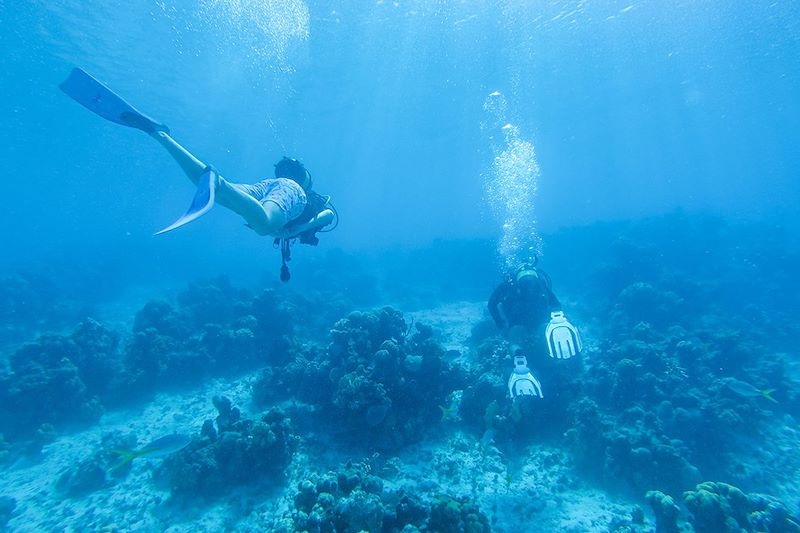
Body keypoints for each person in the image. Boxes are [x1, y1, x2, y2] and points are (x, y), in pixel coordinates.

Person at [59, 68, 336, 276]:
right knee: (264, 225)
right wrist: (301, 227)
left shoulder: (280, 185)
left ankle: (161, 136)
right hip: (287, 195)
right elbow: (329, 214)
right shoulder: (305, 195)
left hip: (266, 186)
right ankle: (220, 182)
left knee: (214, 191)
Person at [487, 261, 581, 400]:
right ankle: (558, 357)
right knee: (545, 339)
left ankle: (519, 360)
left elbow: (491, 304)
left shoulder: (508, 284)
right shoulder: (540, 283)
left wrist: (501, 325)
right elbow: (555, 303)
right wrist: (559, 318)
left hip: (516, 322)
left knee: (514, 342)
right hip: (538, 321)